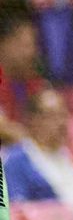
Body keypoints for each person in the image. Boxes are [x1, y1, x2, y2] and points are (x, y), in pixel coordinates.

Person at [3, 88, 73, 212]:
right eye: (52, 115)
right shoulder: (15, 161)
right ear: (32, 120)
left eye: (64, 115)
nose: (62, 123)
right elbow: (19, 212)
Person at [0, 11, 39, 143]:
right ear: (4, 44)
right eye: (26, 45)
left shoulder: (35, 84)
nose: (33, 52)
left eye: (34, 45)